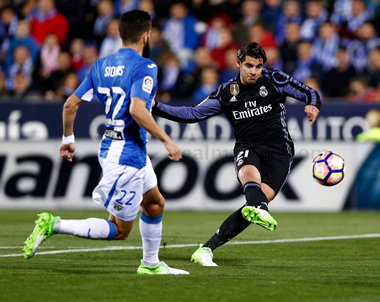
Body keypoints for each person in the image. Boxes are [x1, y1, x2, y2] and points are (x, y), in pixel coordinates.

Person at [23, 9, 188, 276]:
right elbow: (137, 109)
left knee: (155, 203)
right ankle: (53, 224)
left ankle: (151, 264)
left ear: (121, 35)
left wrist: (68, 139)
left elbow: (70, 104)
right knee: (120, 230)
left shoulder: (100, 65)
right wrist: (167, 140)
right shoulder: (145, 66)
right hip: (126, 156)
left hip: (117, 146)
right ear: (146, 36)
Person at [152, 42, 321, 266]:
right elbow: (192, 113)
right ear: (238, 63)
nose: (254, 71)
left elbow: (309, 92)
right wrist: (155, 106)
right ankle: (259, 208)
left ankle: (206, 249)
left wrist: (313, 104)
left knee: (254, 205)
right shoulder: (226, 92)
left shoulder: (274, 79)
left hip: (280, 149)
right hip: (247, 145)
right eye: (249, 65)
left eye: (258, 66)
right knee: (250, 178)